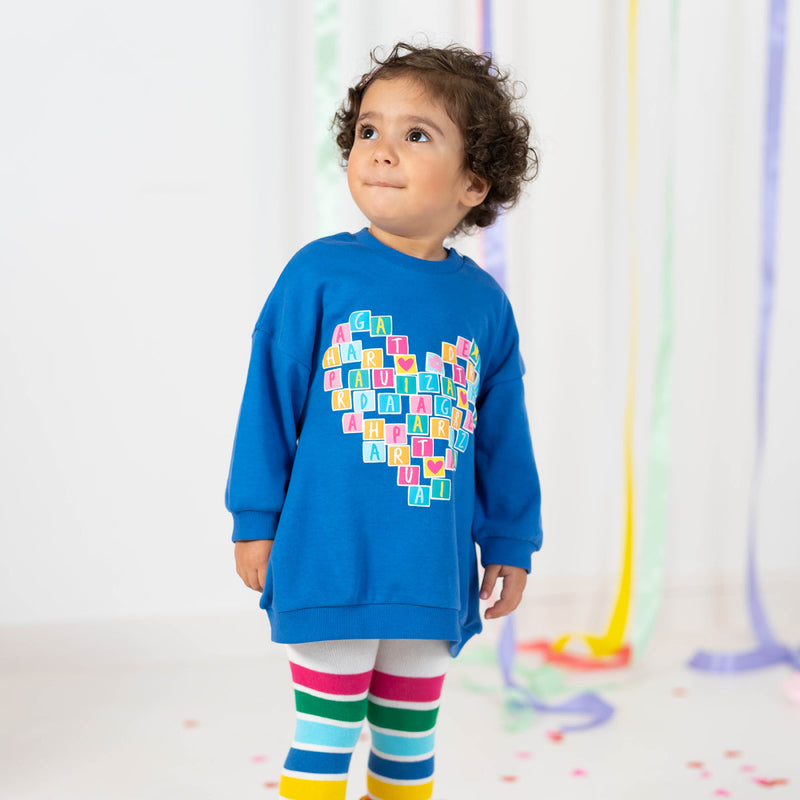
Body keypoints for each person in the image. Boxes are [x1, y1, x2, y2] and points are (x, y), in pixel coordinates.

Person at [226, 41, 543, 800]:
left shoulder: (484, 306)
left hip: (430, 569)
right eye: (369, 130)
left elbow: (503, 439)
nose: (381, 150)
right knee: (325, 736)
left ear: (474, 182)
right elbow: (268, 401)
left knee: (408, 745)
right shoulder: (317, 275)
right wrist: (254, 517)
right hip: (328, 555)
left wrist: (510, 539)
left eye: (416, 134)